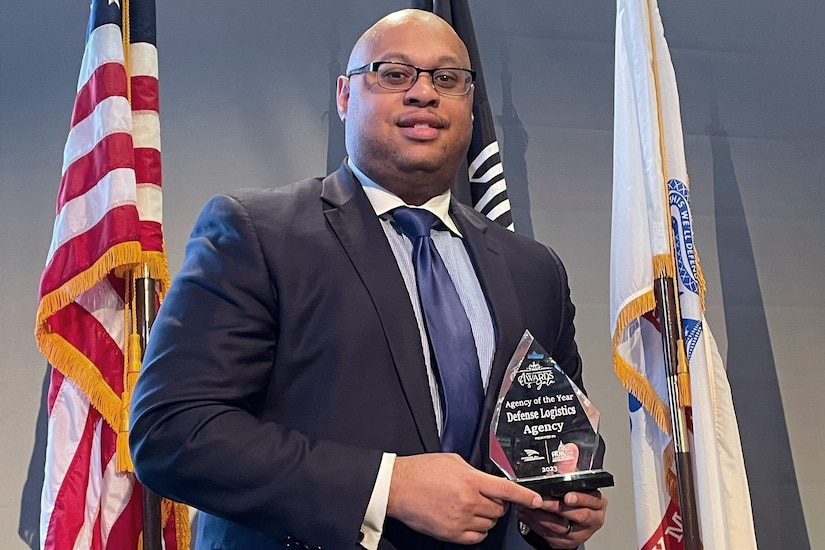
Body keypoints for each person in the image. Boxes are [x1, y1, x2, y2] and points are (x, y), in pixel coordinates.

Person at [129, 8, 607, 550]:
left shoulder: (535, 270)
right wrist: (387, 487)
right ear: (344, 95)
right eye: (394, 73)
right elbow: (171, 433)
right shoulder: (256, 233)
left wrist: (559, 509)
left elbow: (553, 442)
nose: (423, 93)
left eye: (446, 79)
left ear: (471, 107)